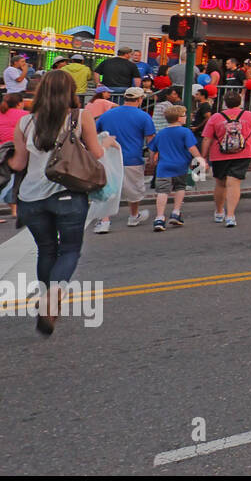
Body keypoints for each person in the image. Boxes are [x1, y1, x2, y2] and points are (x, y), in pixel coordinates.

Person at [4, 69, 110, 335]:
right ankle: (52, 299)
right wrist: (107, 142)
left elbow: (18, 163)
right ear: (70, 92)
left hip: (31, 198)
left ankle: (46, 297)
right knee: (70, 249)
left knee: (46, 249)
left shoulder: (25, 122)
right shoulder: (80, 116)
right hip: (68, 193)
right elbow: (96, 154)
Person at [92, 85, 156, 232]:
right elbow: (151, 139)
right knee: (134, 190)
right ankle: (133, 216)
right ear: (140, 99)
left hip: (109, 157)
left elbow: (96, 134)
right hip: (132, 158)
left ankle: (104, 220)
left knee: (108, 190)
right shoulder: (143, 116)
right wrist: (152, 158)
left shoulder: (108, 114)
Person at [200, 91, 251, 228]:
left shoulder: (215, 117)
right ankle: (231, 215)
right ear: (240, 102)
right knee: (234, 183)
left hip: (219, 154)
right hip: (243, 153)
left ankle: (219, 212)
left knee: (220, 183)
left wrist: (203, 157)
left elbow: (207, 138)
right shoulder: (249, 116)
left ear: (225, 103)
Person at [147, 105, 204, 232]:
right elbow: (191, 148)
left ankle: (159, 217)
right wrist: (200, 159)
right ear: (179, 118)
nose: (186, 117)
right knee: (180, 187)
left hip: (163, 166)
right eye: (184, 115)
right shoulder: (185, 132)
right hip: (180, 165)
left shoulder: (161, 133)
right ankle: (176, 212)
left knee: (162, 191)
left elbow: (152, 149)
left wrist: (151, 160)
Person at [0, 93, 26, 224]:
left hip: (1, 152)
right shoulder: (24, 115)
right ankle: (16, 210)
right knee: (20, 181)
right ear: (20, 103)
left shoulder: (1, 113)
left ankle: (14, 209)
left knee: (2, 181)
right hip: (18, 151)